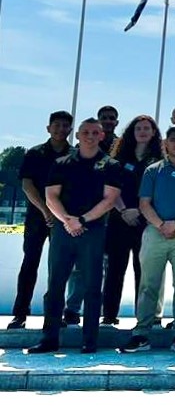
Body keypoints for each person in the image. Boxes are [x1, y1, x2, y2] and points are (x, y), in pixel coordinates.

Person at [27, 118, 122, 354]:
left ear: (102, 136)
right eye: (86, 132)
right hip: (63, 230)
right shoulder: (61, 163)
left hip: (93, 230)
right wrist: (68, 220)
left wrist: (82, 220)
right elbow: (51, 196)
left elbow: (110, 200)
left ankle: (89, 339)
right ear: (77, 135)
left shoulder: (110, 165)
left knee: (92, 286)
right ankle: (49, 338)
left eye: (95, 132)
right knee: (55, 285)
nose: (90, 136)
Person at [118, 125, 175, 354]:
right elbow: (144, 203)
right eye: (173, 139)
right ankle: (141, 334)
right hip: (154, 232)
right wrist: (160, 225)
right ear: (166, 143)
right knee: (148, 285)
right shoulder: (152, 170)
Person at [9, 110, 82, 330]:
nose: (60, 129)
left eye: (65, 126)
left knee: (59, 268)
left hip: (63, 219)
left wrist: (61, 214)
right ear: (48, 128)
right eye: (56, 125)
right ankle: (20, 313)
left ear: (70, 130)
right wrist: (45, 210)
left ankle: (54, 314)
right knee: (30, 263)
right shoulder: (35, 153)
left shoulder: (75, 155)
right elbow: (27, 185)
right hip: (37, 218)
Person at [102, 115, 163, 325]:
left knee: (144, 271)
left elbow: (160, 192)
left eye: (147, 128)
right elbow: (111, 188)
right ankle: (109, 315)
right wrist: (123, 210)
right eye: (139, 128)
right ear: (132, 132)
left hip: (147, 222)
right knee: (115, 270)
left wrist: (139, 210)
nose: (143, 131)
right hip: (120, 219)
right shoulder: (119, 158)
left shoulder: (160, 160)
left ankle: (144, 316)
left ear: (154, 132)